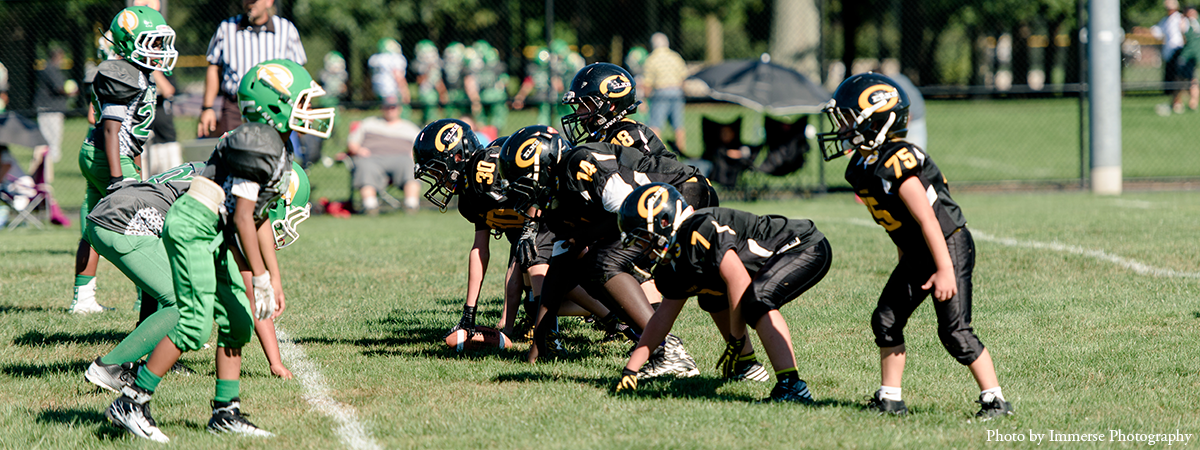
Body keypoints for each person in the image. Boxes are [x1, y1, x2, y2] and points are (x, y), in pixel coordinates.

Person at [103, 59, 334, 442]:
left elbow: (254, 219)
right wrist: (259, 275)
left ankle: (226, 412)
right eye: (301, 100)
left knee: (238, 322)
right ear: (272, 104)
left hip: (216, 231)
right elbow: (243, 218)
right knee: (194, 325)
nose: (308, 109)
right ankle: (132, 400)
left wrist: (271, 277)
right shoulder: (257, 142)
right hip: (194, 228)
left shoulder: (274, 145)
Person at [817, 72, 1013, 419]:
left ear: (875, 121)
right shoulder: (862, 165)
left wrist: (944, 270)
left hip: (947, 245)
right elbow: (901, 228)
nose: (842, 127)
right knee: (886, 319)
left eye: (848, 119)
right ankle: (890, 398)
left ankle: (994, 399)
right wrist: (905, 260)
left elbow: (929, 220)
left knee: (955, 332)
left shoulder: (897, 161)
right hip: (920, 250)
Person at [497, 125, 713, 373]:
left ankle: (666, 348)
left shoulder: (578, 164)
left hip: (685, 196)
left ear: (545, 167)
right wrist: (540, 340)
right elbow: (560, 266)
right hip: (656, 208)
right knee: (586, 265)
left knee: (602, 264)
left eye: (521, 180)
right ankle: (660, 344)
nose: (518, 191)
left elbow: (631, 208)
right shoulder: (558, 196)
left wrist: (586, 235)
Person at [83, 161, 309, 393]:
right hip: (125, 221)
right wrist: (276, 362)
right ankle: (110, 366)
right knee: (187, 303)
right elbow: (250, 290)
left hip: (113, 212)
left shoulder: (221, 173)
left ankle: (150, 355)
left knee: (171, 286)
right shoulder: (237, 198)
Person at [613, 183, 832, 402]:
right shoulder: (672, 263)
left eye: (642, 239)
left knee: (758, 299)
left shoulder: (698, 228)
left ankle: (792, 387)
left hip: (802, 246)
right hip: (776, 258)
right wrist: (631, 370)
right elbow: (662, 319)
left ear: (664, 221)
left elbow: (738, 279)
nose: (642, 248)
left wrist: (736, 338)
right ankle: (748, 366)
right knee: (710, 295)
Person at [72, 6, 177, 314]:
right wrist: (119, 178)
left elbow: (130, 132)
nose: (159, 50)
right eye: (152, 42)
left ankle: (83, 298)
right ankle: (156, 304)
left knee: (94, 223)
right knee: (142, 226)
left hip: (104, 154)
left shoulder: (138, 72)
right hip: (109, 157)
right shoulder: (121, 72)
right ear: (130, 42)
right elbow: (110, 128)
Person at [197, 0, 306, 137]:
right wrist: (207, 107)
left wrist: (301, 109)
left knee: (272, 153)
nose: (250, 4)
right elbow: (213, 67)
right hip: (235, 106)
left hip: (274, 107)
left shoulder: (286, 29)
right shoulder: (227, 28)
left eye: (254, 0)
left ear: (269, 2)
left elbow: (298, 71)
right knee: (233, 154)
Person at [561, 63, 673, 159]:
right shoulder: (599, 134)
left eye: (585, 105)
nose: (578, 111)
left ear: (611, 106)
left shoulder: (626, 134)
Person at [346, 97, 422, 215]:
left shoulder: (410, 128)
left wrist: (414, 154)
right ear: (382, 108)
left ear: (399, 109)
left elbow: (421, 147)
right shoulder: (369, 123)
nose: (390, 110)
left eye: (393, 107)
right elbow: (352, 143)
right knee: (364, 165)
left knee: (411, 165)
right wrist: (359, 150)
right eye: (387, 107)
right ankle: (370, 206)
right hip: (372, 158)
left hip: (401, 159)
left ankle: (411, 205)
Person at [35, 47, 78, 182]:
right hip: (50, 108)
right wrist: (71, 92)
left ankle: (48, 162)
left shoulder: (46, 68)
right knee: (53, 136)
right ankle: (51, 163)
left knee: (47, 136)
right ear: (58, 56)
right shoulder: (52, 69)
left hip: (46, 107)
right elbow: (59, 88)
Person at [643, 32, 688, 154]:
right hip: (676, 92)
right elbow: (683, 77)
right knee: (678, 125)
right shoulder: (675, 57)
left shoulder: (651, 59)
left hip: (660, 93)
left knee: (656, 124)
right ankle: (681, 151)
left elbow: (647, 82)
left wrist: (645, 99)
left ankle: (657, 151)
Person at [1152, 0, 1188, 114]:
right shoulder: (1165, 20)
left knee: (1178, 79)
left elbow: (1186, 34)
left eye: (1170, 8)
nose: (1168, 10)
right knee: (1171, 79)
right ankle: (1174, 102)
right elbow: (1157, 32)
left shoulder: (1180, 19)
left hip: (1178, 52)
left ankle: (1178, 103)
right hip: (1168, 54)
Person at [412, 40, 448, 122]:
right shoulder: (421, 67)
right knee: (429, 101)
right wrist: (428, 71)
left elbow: (438, 82)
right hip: (426, 91)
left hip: (434, 91)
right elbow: (420, 82)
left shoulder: (436, 67)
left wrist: (442, 93)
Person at [369, 38, 411, 106]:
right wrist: (405, 92)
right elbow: (398, 76)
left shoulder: (374, 59)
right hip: (391, 91)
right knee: (401, 111)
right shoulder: (393, 58)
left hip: (378, 90)